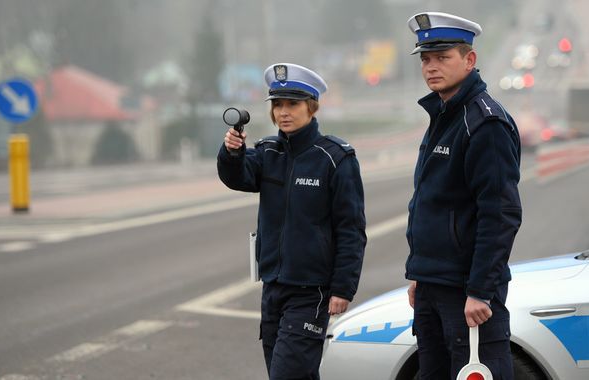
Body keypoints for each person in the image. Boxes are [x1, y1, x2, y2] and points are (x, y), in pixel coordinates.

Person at [217, 63, 367, 380]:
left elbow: (351, 229)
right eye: (277, 104)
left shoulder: (335, 157)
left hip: (311, 292)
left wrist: (343, 287)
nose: (284, 112)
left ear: (311, 107)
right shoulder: (267, 151)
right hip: (273, 286)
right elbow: (237, 177)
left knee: (287, 375)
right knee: (288, 373)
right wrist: (231, 153)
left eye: (292, 104)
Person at [404, 12, 522, 379]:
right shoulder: (444, 115)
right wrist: (419, 272)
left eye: (443, 57)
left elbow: (500, 213)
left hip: (466, 292)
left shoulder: (484, 122)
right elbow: (434, 204)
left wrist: (481, 291)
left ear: (469, 60)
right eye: (426, 59)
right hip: (432, 285)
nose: (431, 67)